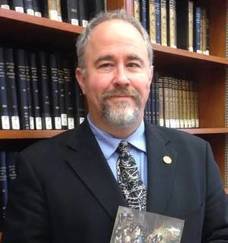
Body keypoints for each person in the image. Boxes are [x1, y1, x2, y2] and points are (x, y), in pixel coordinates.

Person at [3, 10, 228, 243]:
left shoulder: (197, 155)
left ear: (149, 76)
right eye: (106, 65)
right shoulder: (38, 167)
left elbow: (220, 235)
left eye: (133, 64)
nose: (121, 78)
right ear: (82, 79)